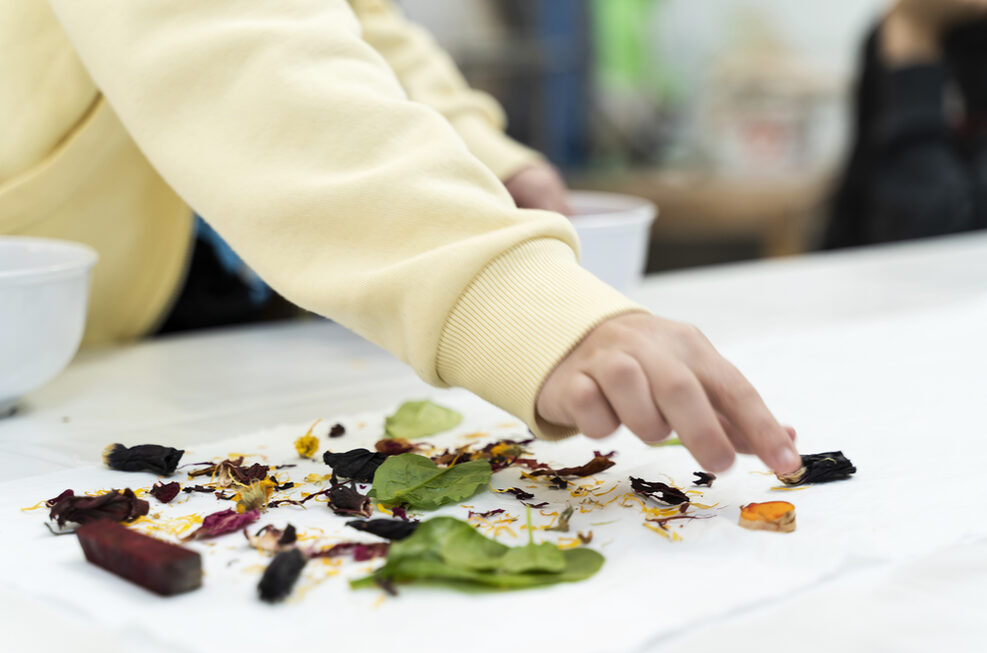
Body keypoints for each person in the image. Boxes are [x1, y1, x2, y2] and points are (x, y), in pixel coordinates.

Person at [1, 0, 799, 476]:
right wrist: (503, 295)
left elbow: (350, 23)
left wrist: (482, 161)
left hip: (188, 297)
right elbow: (249, 56)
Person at [825, 0, 987, 249]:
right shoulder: (890, 33)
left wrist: (915, 50)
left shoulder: (910, 31)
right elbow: (854, 208)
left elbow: (938, 238)